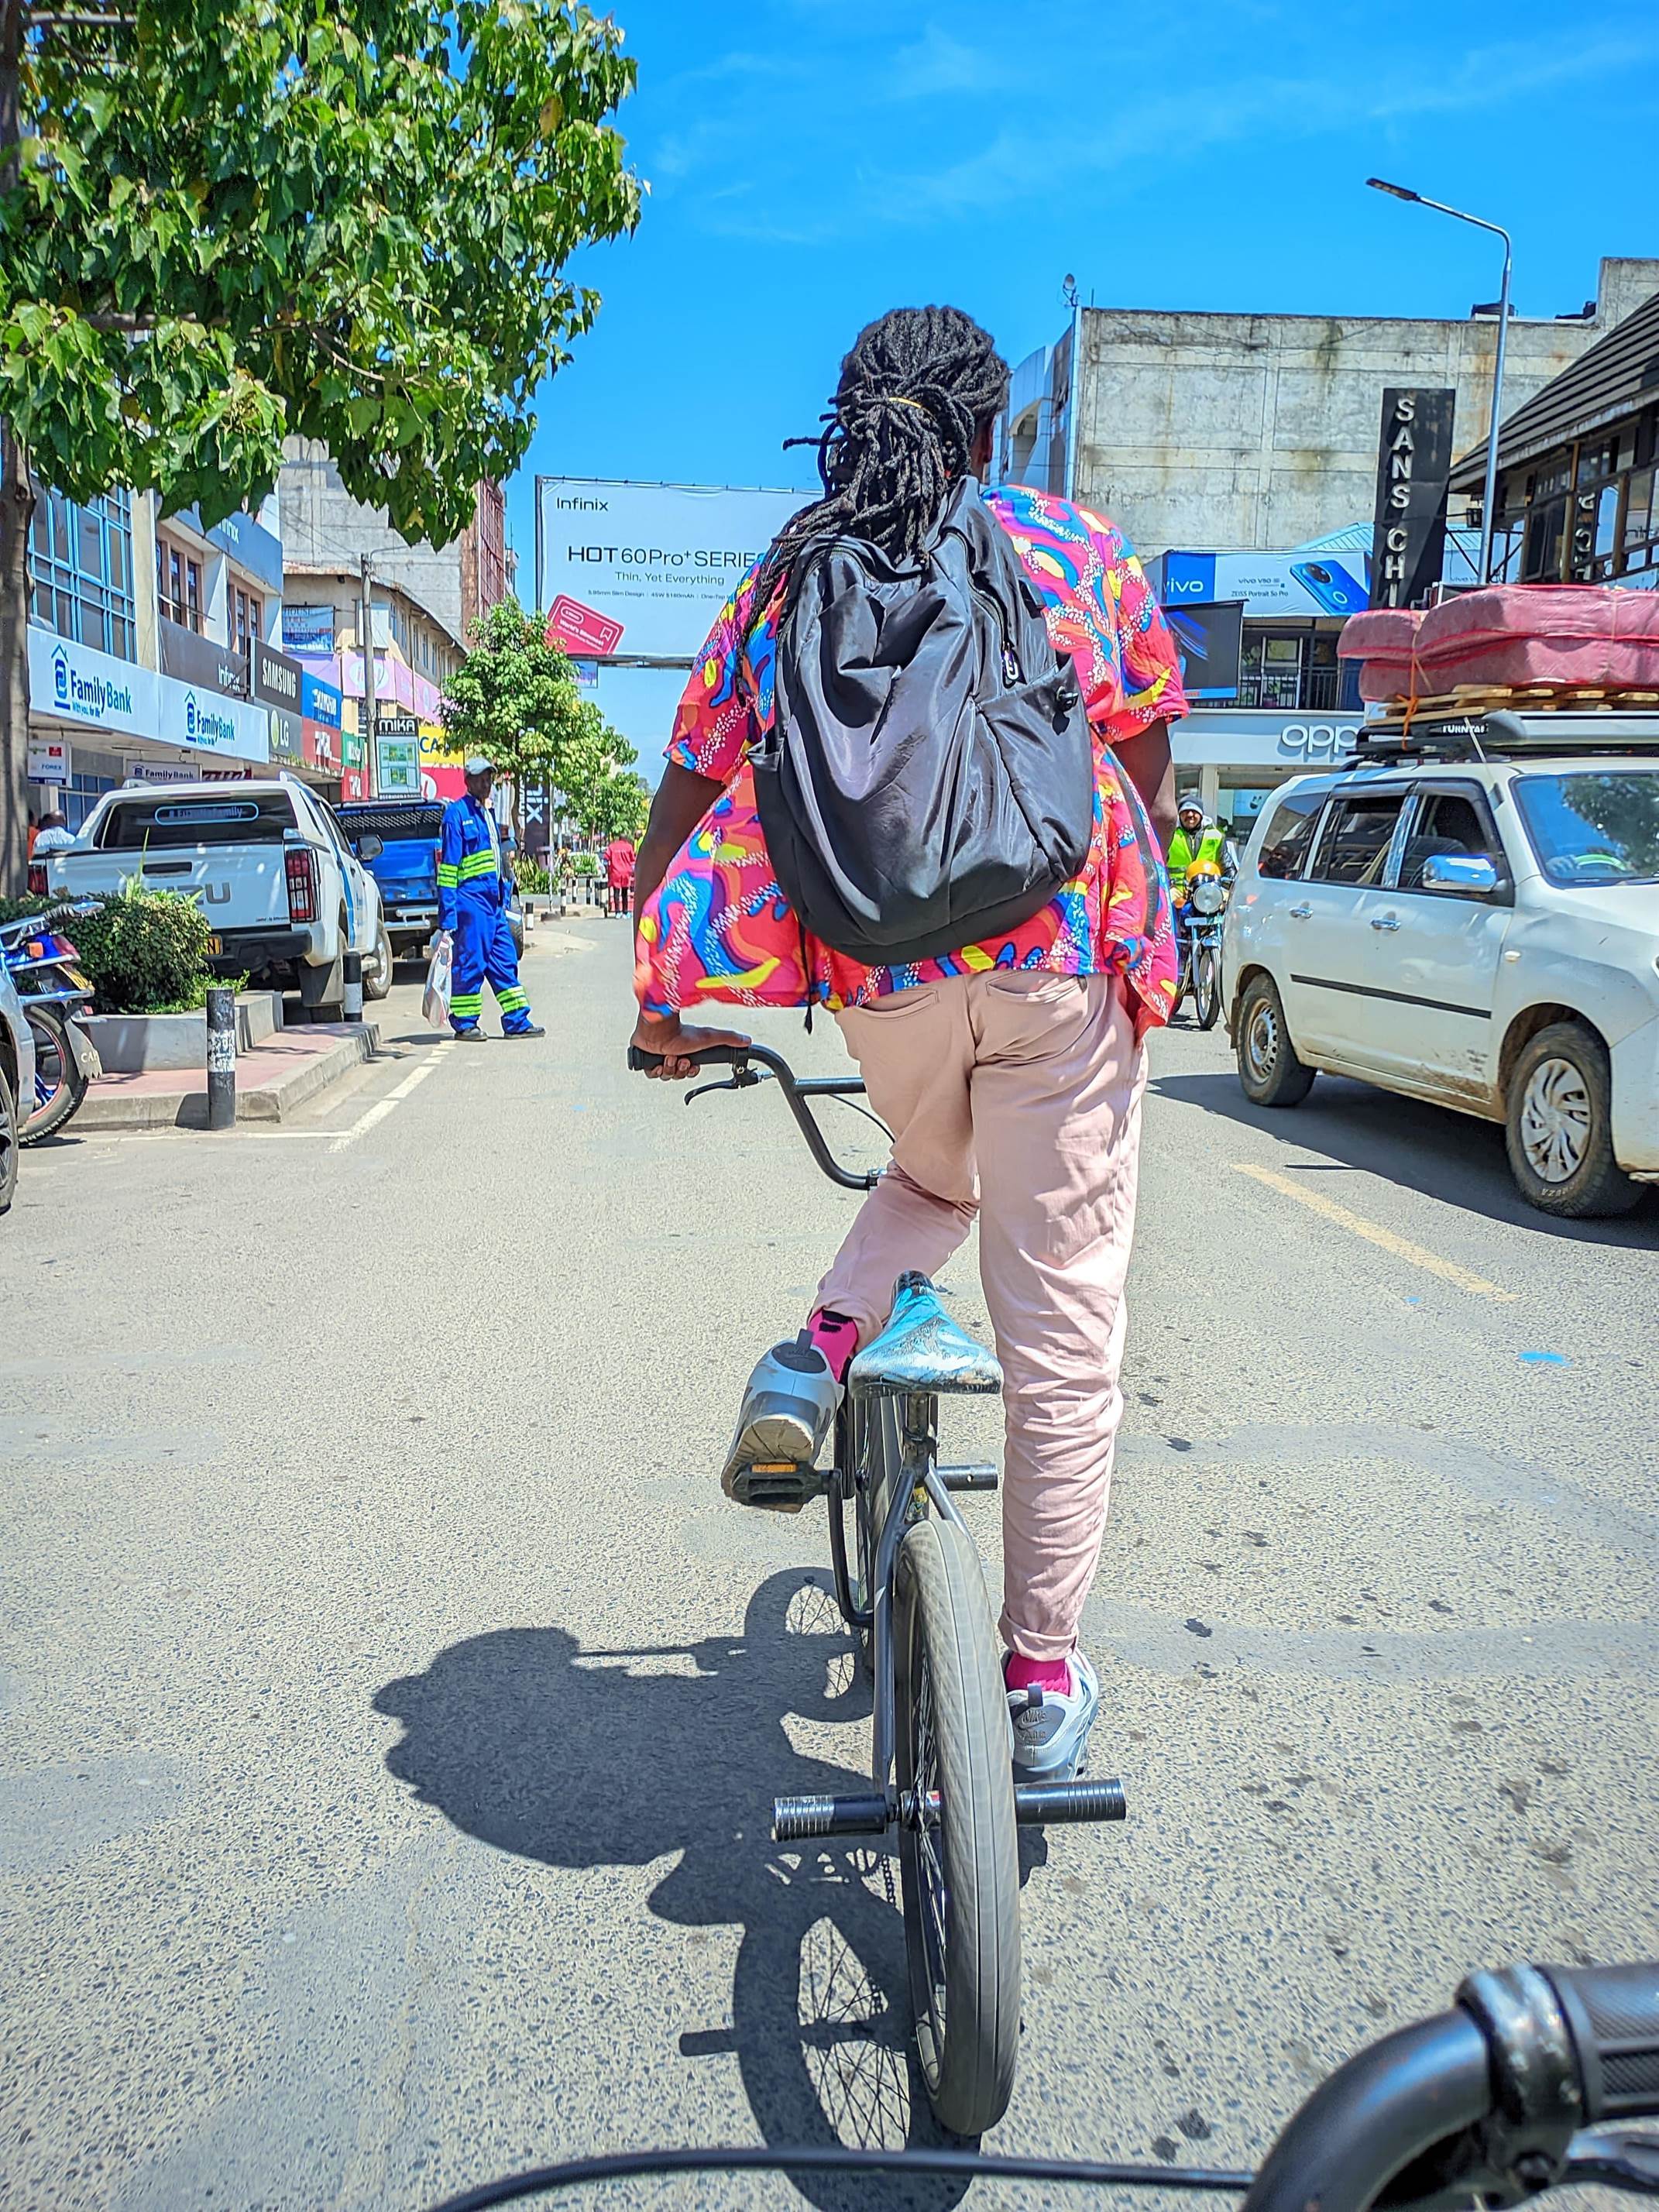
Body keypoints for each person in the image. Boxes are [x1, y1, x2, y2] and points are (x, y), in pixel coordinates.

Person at [627, 305, 1187, 1784]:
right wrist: (1152, 913)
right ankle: (1039, 1677)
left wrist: (656, 991)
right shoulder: (1079, 552)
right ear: (993, 428)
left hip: (877, 976)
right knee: (1062, 1337)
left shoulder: (786, 573)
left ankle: (819, 1350)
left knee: (935, 1167)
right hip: (1057, 965)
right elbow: (1142, 771)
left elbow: (690, 787)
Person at [437, 758, 545, 1041]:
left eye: (489, 779)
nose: (486, 784)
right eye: (480, 778)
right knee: (471, 961)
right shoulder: (457, 815)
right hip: (471, 904)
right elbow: (448, 871)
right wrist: (448, 916)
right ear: (468, 781)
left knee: (505, 960)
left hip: (494, 904)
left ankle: (517, 1020)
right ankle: (464, 1023)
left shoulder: (487, 814)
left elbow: (497, 860)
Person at [604, 833, 637, 919]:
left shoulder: (612, 847)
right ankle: (625, 912)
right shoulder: (629, 847)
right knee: (625, 893)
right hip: (626, 873)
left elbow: (606, 858)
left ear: (619, 838)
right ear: (625, 839)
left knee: (616, 893)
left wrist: (606, 869)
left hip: (615, 872)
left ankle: (617, 912)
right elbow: (633, 860)